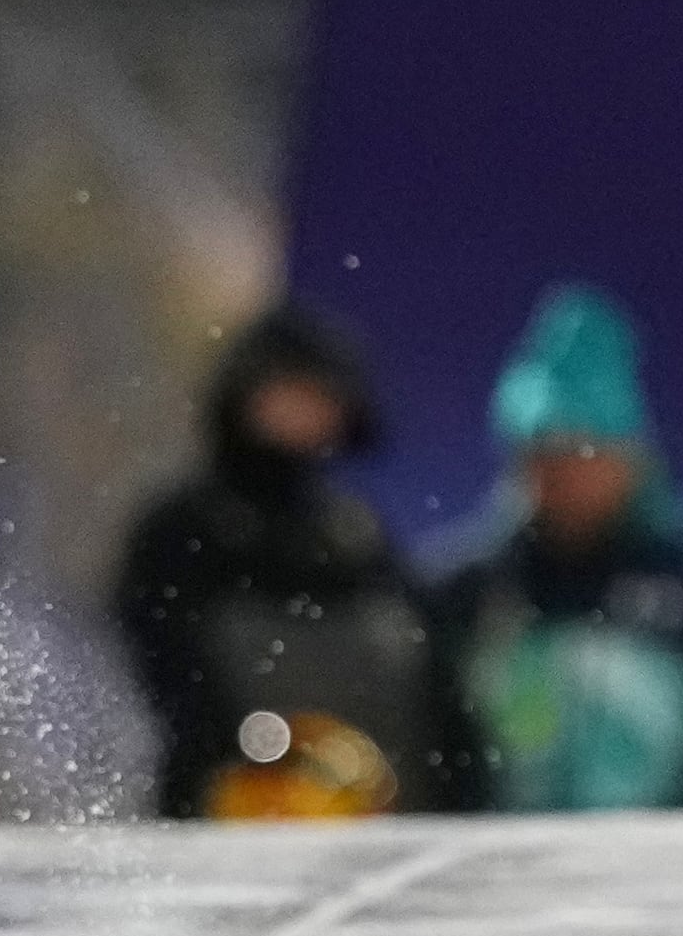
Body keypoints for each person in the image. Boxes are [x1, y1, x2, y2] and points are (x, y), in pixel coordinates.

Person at [115, 307, 476, 819]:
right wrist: (251, 756)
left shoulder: (356, 532)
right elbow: (165, 669)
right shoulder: (185, 528)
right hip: (233, 813)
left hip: (372, 814)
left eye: (318, 395)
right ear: (243, 393)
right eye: (286, 389)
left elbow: (429, 683)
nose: (302, 410)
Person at [431, 287, 683, 812]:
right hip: (499, 859)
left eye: (586, 454)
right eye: (545, 456)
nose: (566, 476)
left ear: (632, 462)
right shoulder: (469, 590)